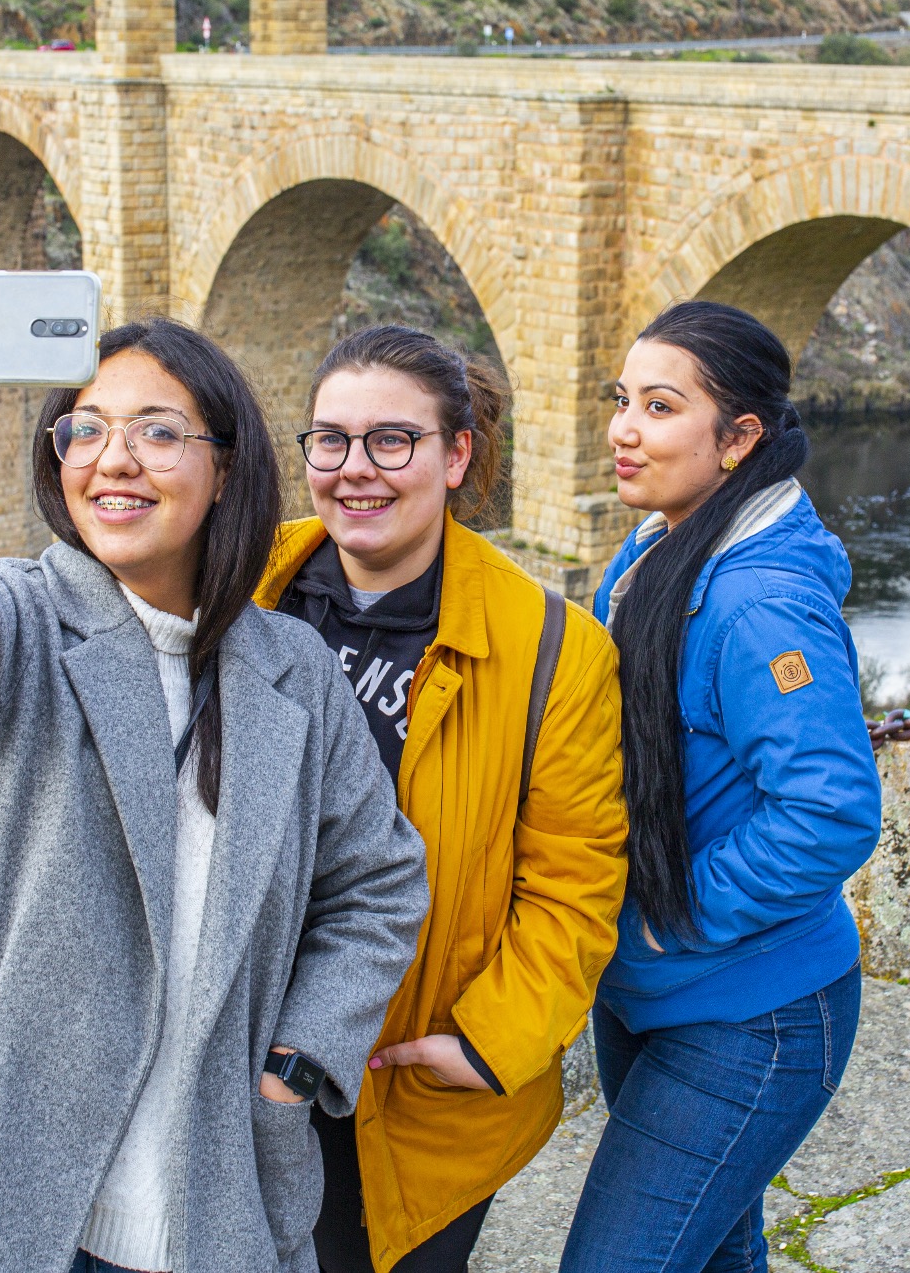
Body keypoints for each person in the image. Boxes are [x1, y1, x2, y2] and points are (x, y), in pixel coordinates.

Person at [0, 251, 429, 1273]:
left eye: (157, 431)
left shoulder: (295, 675)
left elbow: (378, 882)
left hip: (198, 1194)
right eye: (85, 430)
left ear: (226, 465)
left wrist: (294, 1060)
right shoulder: (16, 625)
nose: (114, 458)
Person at [253, 325, 628, 1273]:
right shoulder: (249, 581)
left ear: (457, 455)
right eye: (330, 440)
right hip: (239, 1048)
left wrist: (489, 1042)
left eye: (394, 440)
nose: (355, 469)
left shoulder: (554, 649)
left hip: (409, 1077)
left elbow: (574, 887)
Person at [561, 301, 882, 1273]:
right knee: (711, 1253)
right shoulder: (663, 546)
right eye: (623, 400)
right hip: (648, 991)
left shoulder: (759, 602)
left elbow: (830, 811)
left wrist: (672, 919)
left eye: (660, 407)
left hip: (750, 1014)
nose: (623, 428)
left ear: (739, 437)